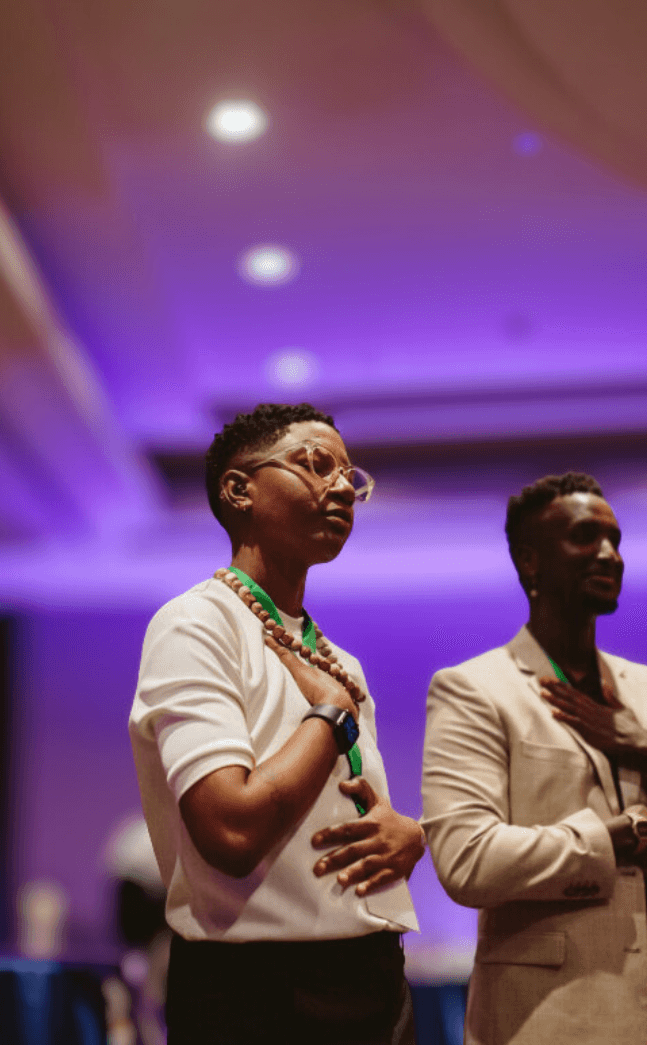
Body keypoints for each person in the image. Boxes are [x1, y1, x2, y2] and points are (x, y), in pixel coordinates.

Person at [420, 472, 647, 1045]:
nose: (609, 554)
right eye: (585, 537)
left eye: (614, 538)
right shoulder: (475, 689)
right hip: (558, 1022)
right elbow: (468, 860)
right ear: (530, 563)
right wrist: (619, 836)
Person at [129, 403, 424, 1044]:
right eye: (315, 465)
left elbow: (347, 812)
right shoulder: (194, 624)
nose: (343, 486)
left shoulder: (338, 660)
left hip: (374, 977)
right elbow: (229, 832)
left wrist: (407, 837)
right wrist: (329, 716)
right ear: (239, 490)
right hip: (257, 990)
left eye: (351, 476)